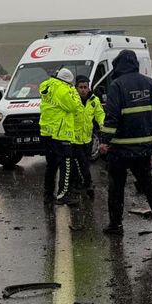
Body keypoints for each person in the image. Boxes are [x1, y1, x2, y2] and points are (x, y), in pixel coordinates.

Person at [99, 49, 152, 235]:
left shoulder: (117, 85)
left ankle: (116, 225)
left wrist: (105, 140)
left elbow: (112, 116)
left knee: (116, 186)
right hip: (144, 146)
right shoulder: (149, 83)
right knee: (147, 182)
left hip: (121, 148)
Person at [39, 67, 84, 205]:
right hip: (61, 133)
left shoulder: (47, 85)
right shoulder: (63, 90)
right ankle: (63, 194)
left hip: (47, 133)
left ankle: (48, 195)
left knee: (51, 165)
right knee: (66, 164)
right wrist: (74, 92)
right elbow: (74, 106)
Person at [71, 75, 104, 199]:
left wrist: (103, 125)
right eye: (81, 87)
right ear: (77, 88)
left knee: (86, 162)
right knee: (80, 162)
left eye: (85, 87)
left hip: (87, 138)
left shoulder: (94, 100)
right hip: (74, 139)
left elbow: (99, 114)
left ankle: (82, 183)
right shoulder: (72, 100)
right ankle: (86, 183)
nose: (83, 90)